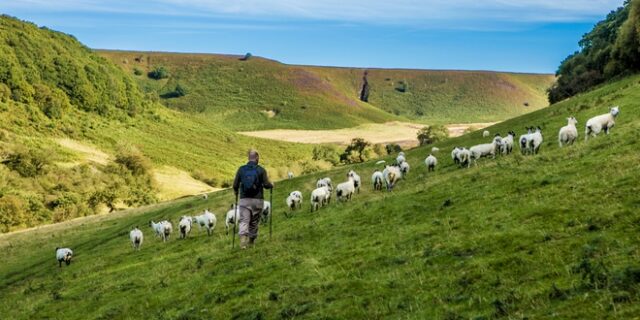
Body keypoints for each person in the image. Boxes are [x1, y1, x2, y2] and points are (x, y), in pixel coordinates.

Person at [233, 150, 273, 249]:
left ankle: (243, 243)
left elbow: (235, 185)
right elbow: (266, 185)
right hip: (257, 200)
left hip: (244, 199)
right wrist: (272, 185)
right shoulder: (261, 170)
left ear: (248, 158)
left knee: (244, 220)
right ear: (257, 158)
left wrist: (236, 192)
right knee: (254, 221)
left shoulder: (241, 169)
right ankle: (251, 242)